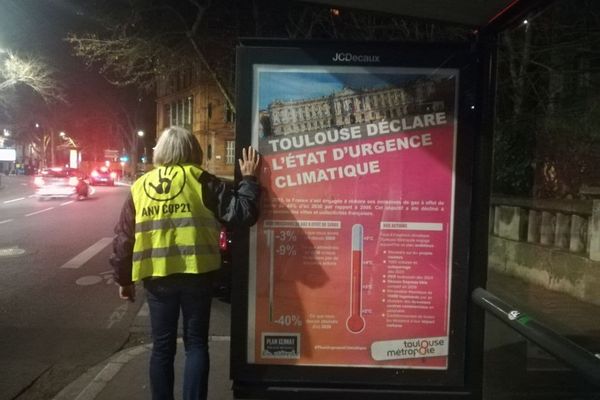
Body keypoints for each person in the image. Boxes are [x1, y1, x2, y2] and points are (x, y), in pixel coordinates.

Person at [109, 126, 260, 400]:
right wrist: (249, 179)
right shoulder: (202, 180)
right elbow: (242, 213)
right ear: (193, 149)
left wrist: (124, 280)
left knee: (162, 348)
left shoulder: (140, 186)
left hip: (157, 278)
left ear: (162, 152)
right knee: (196, 345)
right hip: (197, 276)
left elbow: (124, 239)